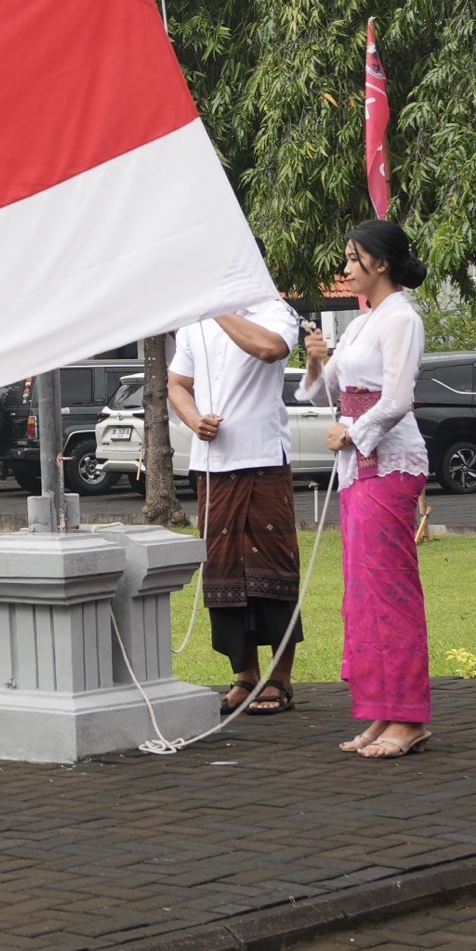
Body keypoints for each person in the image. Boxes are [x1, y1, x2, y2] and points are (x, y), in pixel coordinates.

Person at [303, 218, 434, 760]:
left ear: (381, 263)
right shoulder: (361, 323)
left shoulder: (401, 318)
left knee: (391, 588)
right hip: (359, 467)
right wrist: (313, 357)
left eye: (355, 259)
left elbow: (398, 398)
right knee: (364, 592)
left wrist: (352, 432)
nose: (347, 268)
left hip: (390, 464)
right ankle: (382, 711)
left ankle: (409, 717)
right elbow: (319, 394)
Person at [170, 296, 306, 714]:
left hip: (264, 458)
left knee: (275, 569)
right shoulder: (194, 322)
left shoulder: (274, 311)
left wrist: (216, 309)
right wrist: (194, 420)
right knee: (224, 573)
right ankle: (245, 675)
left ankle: (279, 678)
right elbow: (177, 384)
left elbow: (270, 349)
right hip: (213, 465)